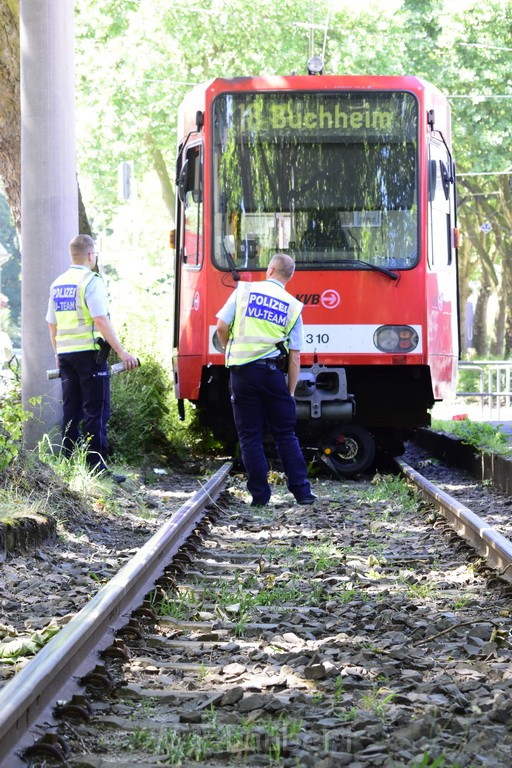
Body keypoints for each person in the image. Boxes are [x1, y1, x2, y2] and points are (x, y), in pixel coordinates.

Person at [216, 252, 317, 507]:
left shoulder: (243, 291)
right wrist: (290, 392)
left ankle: (260, 498)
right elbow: (295, 356)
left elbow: (221, 326)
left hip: (242, 374)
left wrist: (232, 351)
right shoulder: (293, 306)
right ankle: (302, 493)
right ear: (289, 277)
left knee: (249, 436)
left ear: (270, 270)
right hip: (272, 374)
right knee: (285, 434)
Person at [46, 234, 138, 481]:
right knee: (95, 411)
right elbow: (100, 319)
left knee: (71, 410)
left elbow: (51, 324)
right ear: (90, 255)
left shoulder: (58, 284)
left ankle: (68, 465)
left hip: (66, 356)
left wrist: (57, 354)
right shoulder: (91, 281)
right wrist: (122, 352)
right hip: (90, 356)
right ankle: (97, 470)